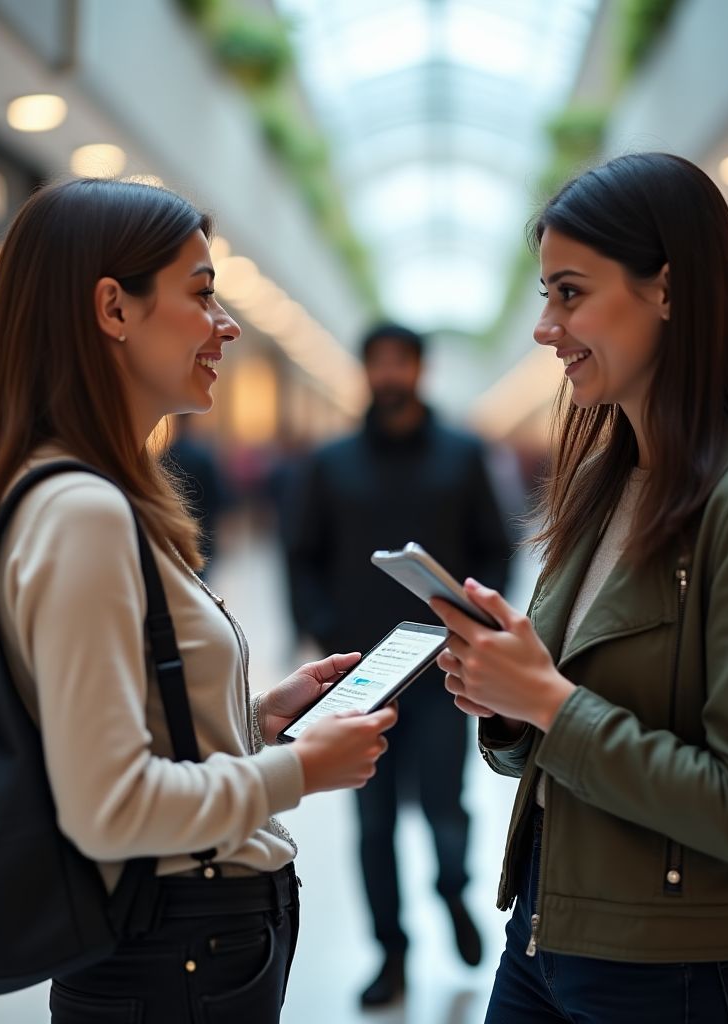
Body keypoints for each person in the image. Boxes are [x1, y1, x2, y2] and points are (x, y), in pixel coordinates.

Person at [0, 177, 397, 1024]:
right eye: (202, 293)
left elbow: (110, 737)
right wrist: (300, 770)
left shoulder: (84, 493)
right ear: (113, 308)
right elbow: (111, 810)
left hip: (179, 956)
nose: (225, 326)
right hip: (175, 959)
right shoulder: (82, 512)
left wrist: (255, 719)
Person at [430, 153, 728, 1024]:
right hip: (544, 933)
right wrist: (507, 702)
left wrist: (547, 701)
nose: (546, 326)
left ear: (667, 290)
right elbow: (554, 730)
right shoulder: (605, 485)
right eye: (545, 294)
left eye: (570, 292)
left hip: (672, 972)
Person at [285, 323, 513, 1008]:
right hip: (363, 675)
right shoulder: (331, 462)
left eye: (400, 363)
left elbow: (495, 548)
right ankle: (391, 954)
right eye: (378, 363)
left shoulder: (463, 454)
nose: (389, 375)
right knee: (374, 822)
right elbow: (301, 553)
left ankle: (452, 893)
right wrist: (319, 625)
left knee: (445, 805)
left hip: (446, 671)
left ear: (419, 369)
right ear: (366, 371)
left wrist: (477, 623)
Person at [162, 414, 226, 571]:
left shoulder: (166, 455)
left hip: (174, 532)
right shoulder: (202, 456)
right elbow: (216, 499)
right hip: (204, 530)